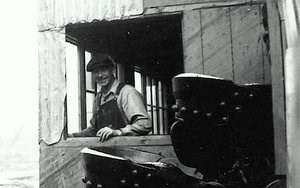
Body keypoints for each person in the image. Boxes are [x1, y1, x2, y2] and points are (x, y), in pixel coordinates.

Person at [70, 53, 152, 141]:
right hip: (107, 151)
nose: (100, 75)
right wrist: (73, 136)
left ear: (112, 70)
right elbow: (94, 130)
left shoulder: (127, 92)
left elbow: (145, 124)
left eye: (104, 70)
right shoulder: (98, 98)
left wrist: (118, 132)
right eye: (96, 72)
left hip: (128, 150)